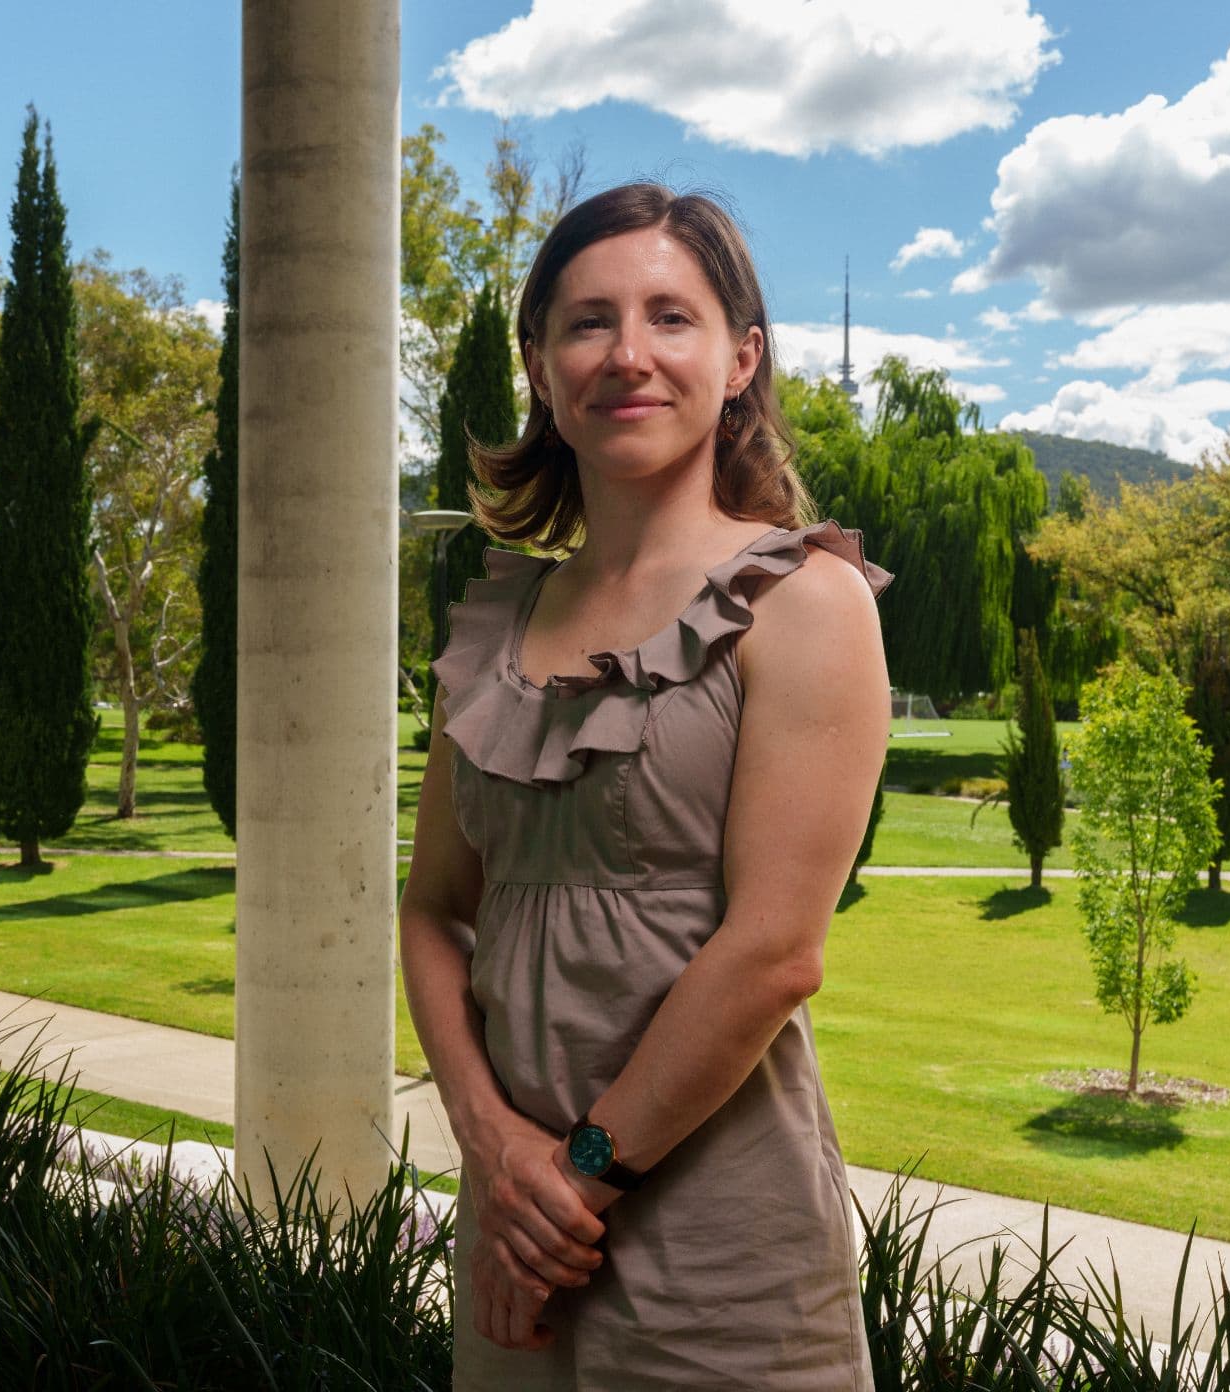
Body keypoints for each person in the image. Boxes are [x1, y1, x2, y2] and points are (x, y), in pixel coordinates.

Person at [397, 182, 894, 1390]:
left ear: (740, 361)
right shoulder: (493, 623)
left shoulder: (798, 604)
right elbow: (430, 911)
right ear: (539, 365)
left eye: (671, 317)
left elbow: (775, 952)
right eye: (585, 322)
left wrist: (572, 1181)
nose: (626, 354)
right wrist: (493, 1145)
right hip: (517, 1229)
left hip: (713, 1241)